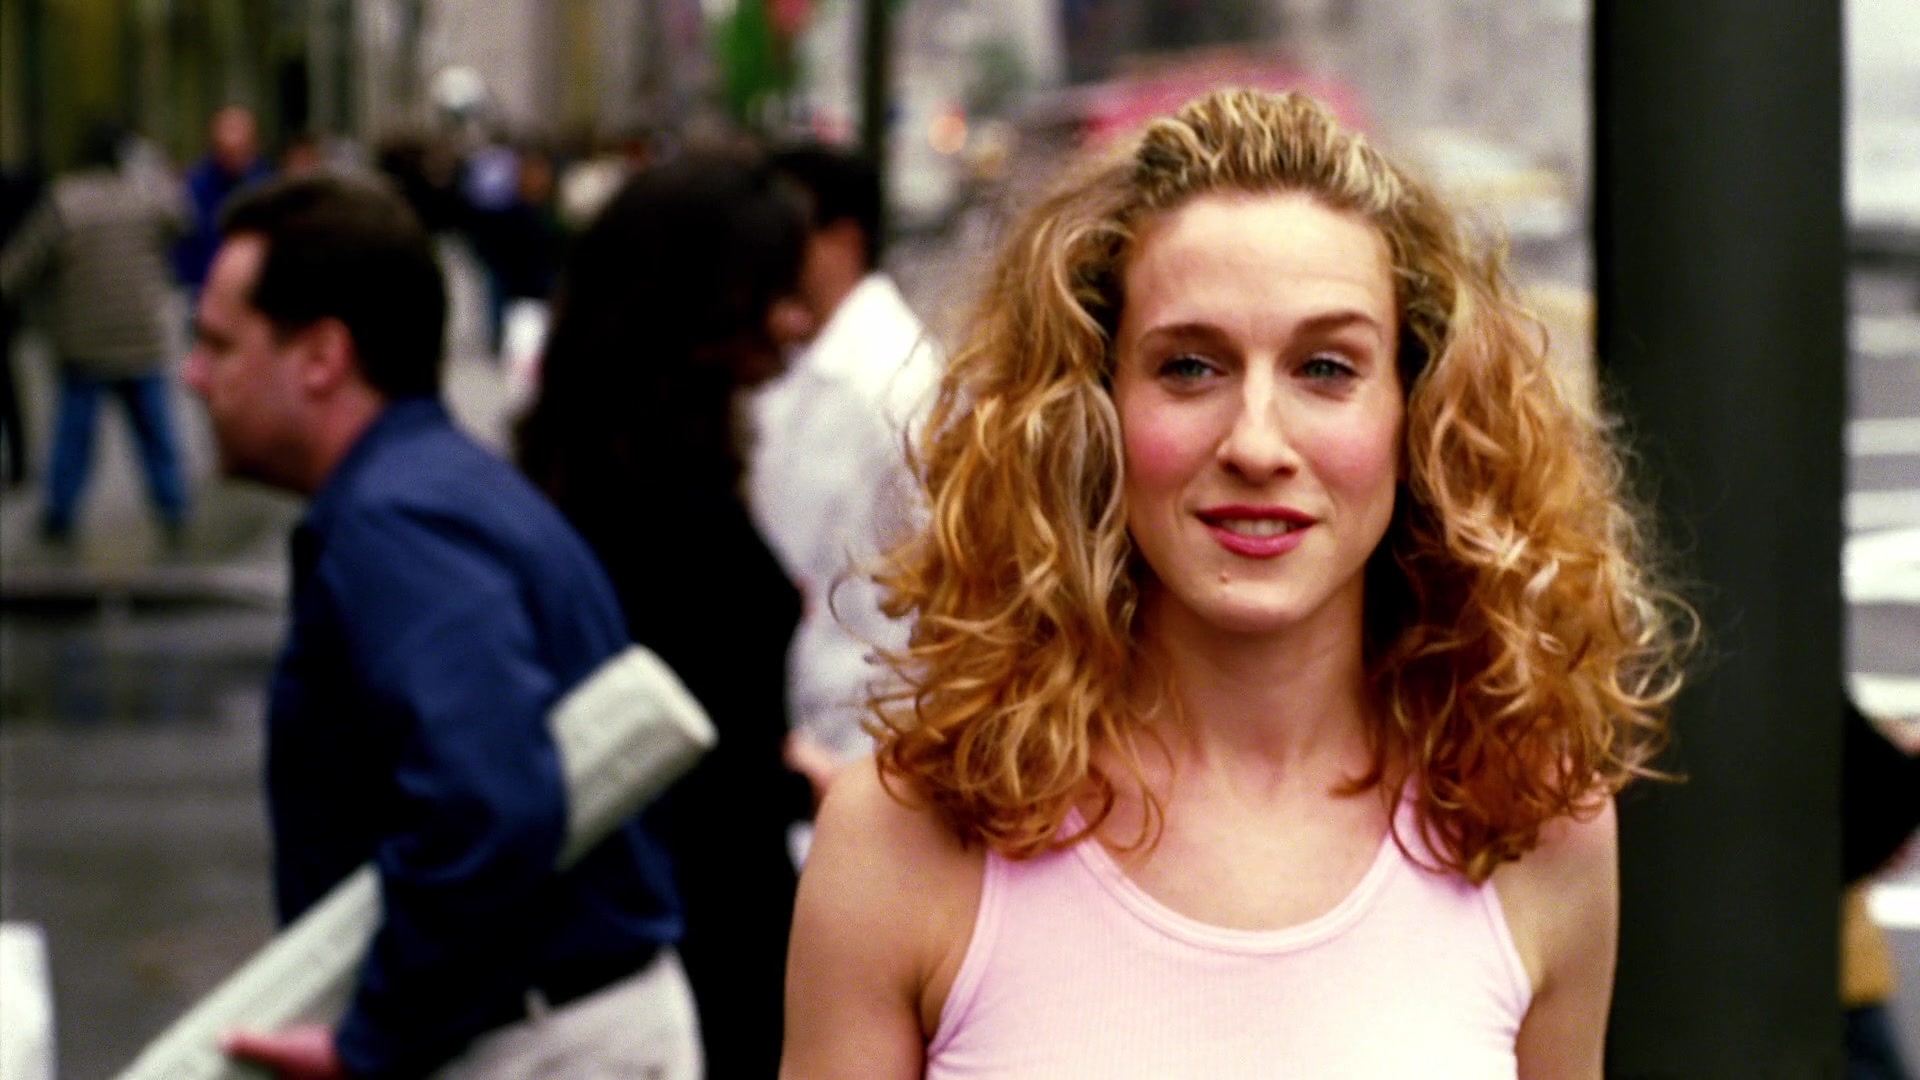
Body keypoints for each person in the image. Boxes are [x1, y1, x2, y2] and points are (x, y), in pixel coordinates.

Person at [782, 87, 1693, 1078]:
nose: (1257, 443)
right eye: (1190, 367)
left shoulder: (1534, 827)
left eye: (1326, 368)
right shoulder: (900, 839)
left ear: (1420, 413)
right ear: (1090, 408)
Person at [187, 174, 698, 1079]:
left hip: (530, 1046)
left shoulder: (396, 522)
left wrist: (376, 1038)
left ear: (322, 357)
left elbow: (486, 800)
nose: (193, 377)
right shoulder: (433, 486)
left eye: (220, 344)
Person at [516, 154, 817, 1079]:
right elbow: (693, 748)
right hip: (708, 930)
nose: (796, 321)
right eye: (776, 293)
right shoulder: (661, 507)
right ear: (705, 302)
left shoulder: (613, 463)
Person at [752, 144, 943, 791]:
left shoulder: (889, 379)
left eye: (787, 229)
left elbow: (929, 583)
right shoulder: (817, 362)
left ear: (845, 238)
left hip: (865, 737)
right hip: (825, 728)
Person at [0, 122, 189, 545]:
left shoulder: (65, 201)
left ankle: (59, 514)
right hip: (141, 337)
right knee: (155, 432)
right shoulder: (144, 196)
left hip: (84, 342)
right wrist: (155, 172)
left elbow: (22, 263)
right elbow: (182, 220)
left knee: (73, 436)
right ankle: (172, 505)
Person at [175, 105, 272, 299]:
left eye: (239, 150)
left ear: (254, 146)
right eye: (225, 150)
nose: (232, 158)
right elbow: (185, 244)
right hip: (202, 290)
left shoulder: (268, 188)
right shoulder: (194, 187)